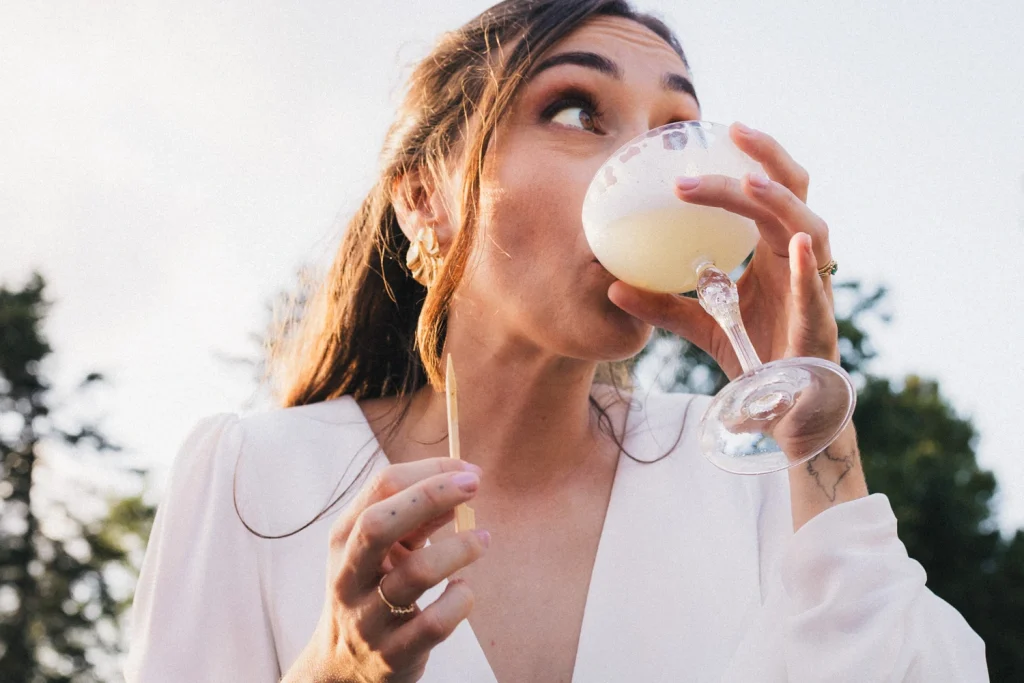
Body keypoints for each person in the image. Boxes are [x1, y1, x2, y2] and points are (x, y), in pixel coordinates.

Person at [124, 1, 989, 681]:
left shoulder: (742, 468)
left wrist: (814, 426)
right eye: (577, 110)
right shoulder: (253, 478)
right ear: (424, 198)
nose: (652, 168)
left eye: (673, 130)